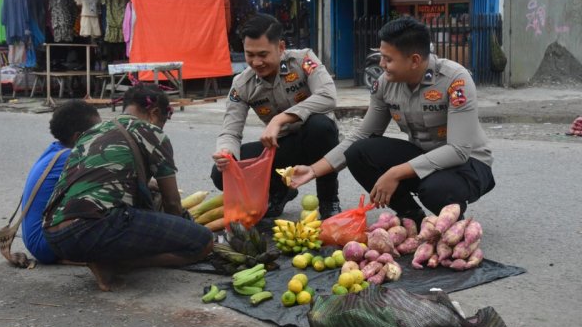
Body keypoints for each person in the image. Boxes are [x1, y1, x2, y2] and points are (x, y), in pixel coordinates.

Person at [290, 17, 495, 223]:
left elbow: (458, 150)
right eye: (381, 57)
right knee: (359, 152)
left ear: (414, 60)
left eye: (388, 59)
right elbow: (362, 134)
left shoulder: (455, 79)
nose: (381, 64)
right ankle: (411, 217)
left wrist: (396, 172)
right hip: (424, 156)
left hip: (469, 163)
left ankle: (454, 222)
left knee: (434, 190)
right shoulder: (385, 84)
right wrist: (313, 170)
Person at [43, 84, 213, 291]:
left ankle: (101, 258)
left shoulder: (91, 132)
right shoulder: (152, 133)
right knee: (203, 243)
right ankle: (117, 264)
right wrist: (184, 231)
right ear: (155, 113)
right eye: (163, 121)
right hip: (93, 228)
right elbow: (172, 202)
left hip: (54, 236)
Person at [211, 13, 341, 218]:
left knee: (321, 126)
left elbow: (328, 96)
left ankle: (328, 200)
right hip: (281, 146)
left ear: (280, 47)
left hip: (317, 140)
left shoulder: (303, 60)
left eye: (263, 54)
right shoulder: (242, 85)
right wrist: (226, 153)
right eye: (249, 55)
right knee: (221, 174)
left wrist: (280, 119)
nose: (256, 62)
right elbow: (231, 131)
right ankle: (280, 191)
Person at [21, 100, 101, 265]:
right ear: (78, 137)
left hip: (35, 241)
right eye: (98, 131)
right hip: (44, 244)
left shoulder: (56, 149)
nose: (102, 136)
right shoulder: (70, 157)